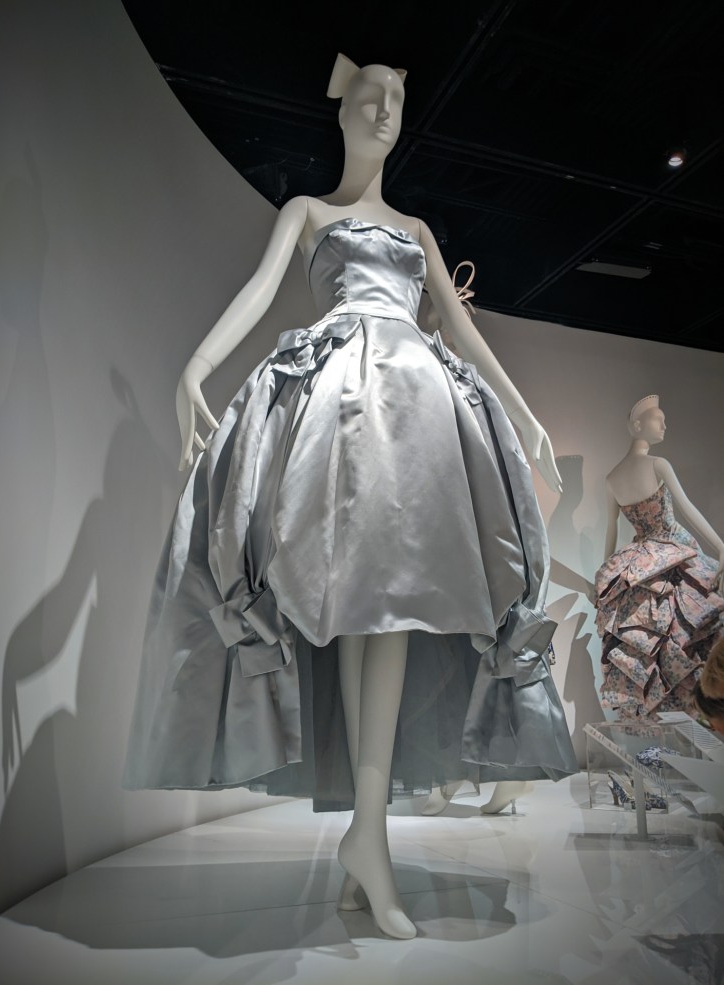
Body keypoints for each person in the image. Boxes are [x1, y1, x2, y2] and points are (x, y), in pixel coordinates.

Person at [124, 53, 576, 940]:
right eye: (368, 97)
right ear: (340, 111)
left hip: (416, 413)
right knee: (361, 607)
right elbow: (259, 291)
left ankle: (367, 837)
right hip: (340, 408)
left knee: (398, 606)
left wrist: (525, 419)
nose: (382, 112)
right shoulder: (308, 212)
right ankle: (365, 841)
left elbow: (460, 326)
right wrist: (194, 368)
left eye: (396, 101)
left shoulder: (415, 228)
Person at [594, 395, 724, 718]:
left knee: (649, 638)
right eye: (658, 419)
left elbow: (611, 529)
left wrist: (606, 585)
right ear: (637, 425)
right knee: (684, 630)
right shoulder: (657, 464)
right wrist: (720, 546)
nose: (664, 425)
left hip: (639, 565)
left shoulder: (611, 479)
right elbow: (687, 507)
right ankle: (693, 715)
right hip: (673, 551)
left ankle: (665, 721)